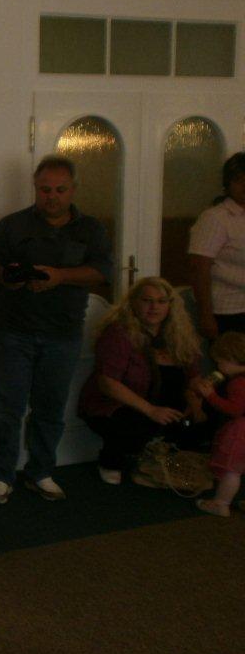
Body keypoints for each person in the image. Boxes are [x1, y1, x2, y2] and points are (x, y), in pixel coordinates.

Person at [0, 155, 112, 503]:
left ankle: (41, 471)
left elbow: (102, 271)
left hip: (63, 333)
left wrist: (60, 276)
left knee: (50, 408)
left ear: (73, 190)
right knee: (7, 407)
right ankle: (2, 474)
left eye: (60, 190)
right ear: (35, 188)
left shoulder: (91, 229)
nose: (52, 196)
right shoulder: (13, 225)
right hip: (15, 330)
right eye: (45, 189)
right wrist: (6, 275)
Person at [78, 277, 203, 484]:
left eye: (161, 301)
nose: (154, 307)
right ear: (134, 302)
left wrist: (195, 401)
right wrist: (151, 410)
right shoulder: (118, 333)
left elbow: (194, 375)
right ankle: (112, 460)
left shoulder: (179, 333)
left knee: (203, 417)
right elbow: (107, 383)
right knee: (134, 425)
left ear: (170, 305)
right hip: (119, 405)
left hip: (165, 404)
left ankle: (166, 453)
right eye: (147, 301)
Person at [188, 152, 245, 339]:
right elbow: (199, 268)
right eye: (239, 180)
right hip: (228, 310)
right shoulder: (215, 218)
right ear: (227, 184)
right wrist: (206, 316)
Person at [193, 332, 245, 516]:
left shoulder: (238, 383)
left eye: (220, 362)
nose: (219, 367)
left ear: (232, 359)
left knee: (232, 470)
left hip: (241, 431)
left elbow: (235, 409)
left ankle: (221, 503)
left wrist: (211, 396)